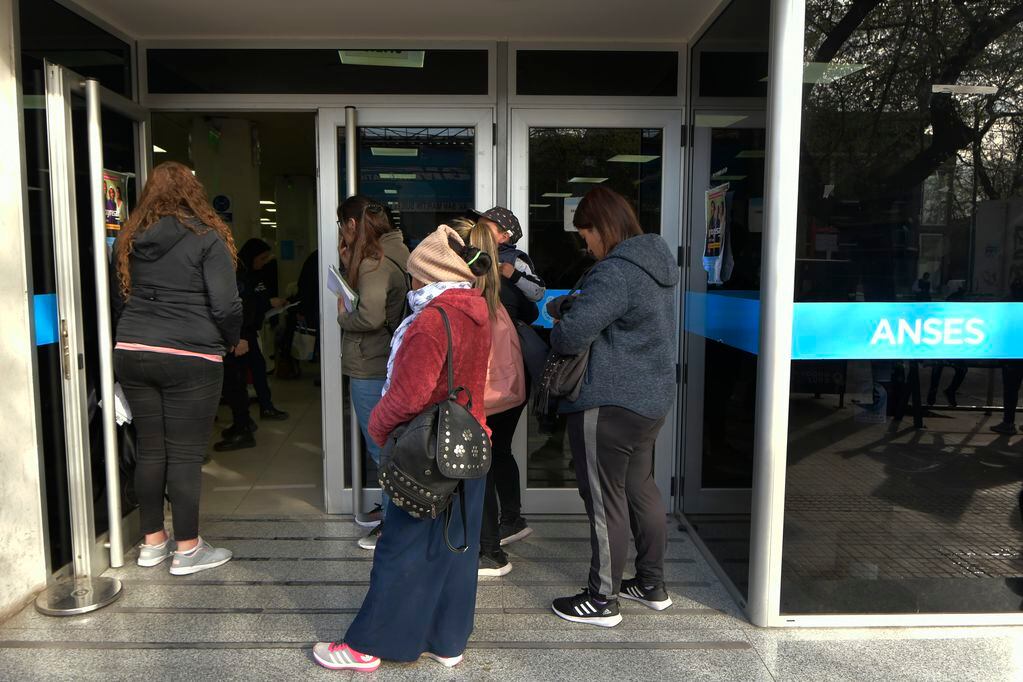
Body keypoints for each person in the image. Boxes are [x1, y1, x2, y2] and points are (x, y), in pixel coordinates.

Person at [312, 224, 492, 672]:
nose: (409, 283)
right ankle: (447, 642)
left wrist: (377, 427)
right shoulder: (476, 310)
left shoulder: (431, 321)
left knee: (400, 548)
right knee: (455, 549)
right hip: (468, 446)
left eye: (413, 274)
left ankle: (367, 645)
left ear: (425, 276)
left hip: (424, 455)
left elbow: (408, 397)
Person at [546, 186, 679, 627]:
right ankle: (650, 583)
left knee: (605, 500)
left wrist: (565, 314)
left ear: (602, 228)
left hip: (608, 403)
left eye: (585, 233)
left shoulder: (615, 272)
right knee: (641, 489)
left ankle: (602, 599)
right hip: (649, 402)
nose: (585, 244)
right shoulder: (655, 265)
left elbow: (568, 337)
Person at [111, 161, 241, 575]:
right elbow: (225, 304)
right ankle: (187, 549)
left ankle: (152, 543)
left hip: (133, 348)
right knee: (184, 455)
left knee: (151, 448)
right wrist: (229, 338)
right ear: (194, 193)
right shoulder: (207, 236)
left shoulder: (128, 238)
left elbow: (119, 299)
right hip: (191, 354)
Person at [450, 216, 529, 578]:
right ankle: (507, 524)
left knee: (477, 467)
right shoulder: (503, 292)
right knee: (496, 457)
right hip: (508, 392)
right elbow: (531, 309)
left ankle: (490, 551)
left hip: (482, 394)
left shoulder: (468, 299)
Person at [335, 196, 411, 548]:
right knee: (390, 441)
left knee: (379, 444)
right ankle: (397, 511)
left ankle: (394, 522)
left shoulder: (374, 262)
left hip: (371, 362)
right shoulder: (398, 251)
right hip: (390, 360)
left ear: (351, 225)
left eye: (342, 226)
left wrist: (342, 315)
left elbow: (369, 316)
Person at [214, 238, 289, 452]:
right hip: (240, 334)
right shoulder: (238, 273)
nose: (264, 262)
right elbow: (242, 305)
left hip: (242, 334)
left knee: (238, 380)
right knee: (236, 381)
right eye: (262, 258)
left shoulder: (246, 274)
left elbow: (247, 304)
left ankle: (243, 426)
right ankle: (242, 424)